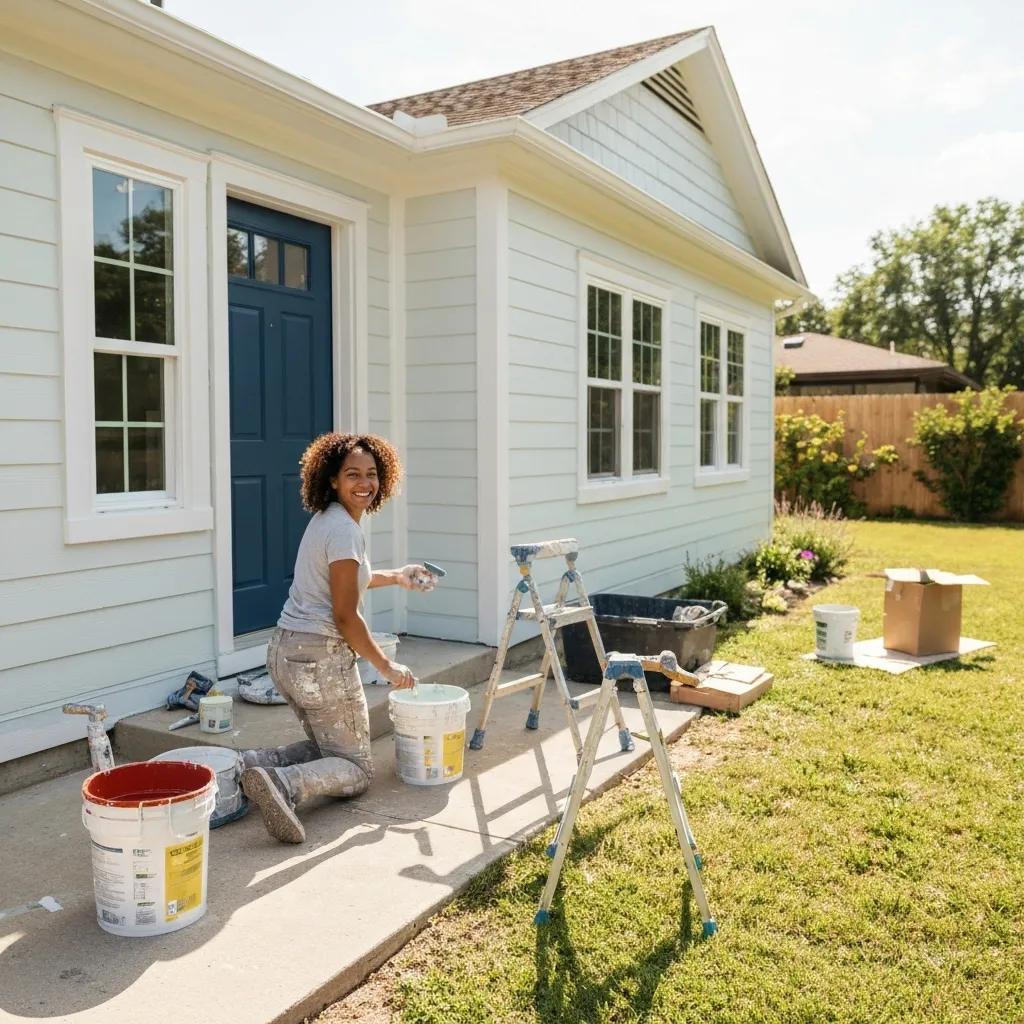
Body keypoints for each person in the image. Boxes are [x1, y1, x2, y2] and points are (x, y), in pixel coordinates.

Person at [240, 432, 435, 844]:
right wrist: (387, 666)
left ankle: (256, 766)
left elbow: (348, 581)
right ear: (331, 479)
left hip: (286, 652)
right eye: (352, 475)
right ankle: (284, 784)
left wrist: (399, 576)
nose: (364, 483)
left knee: (330, 747)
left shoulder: (330, 520)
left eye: (371, 474)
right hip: (318, 658)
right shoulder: (344, 531)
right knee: (357, 769)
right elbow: (346, 616)